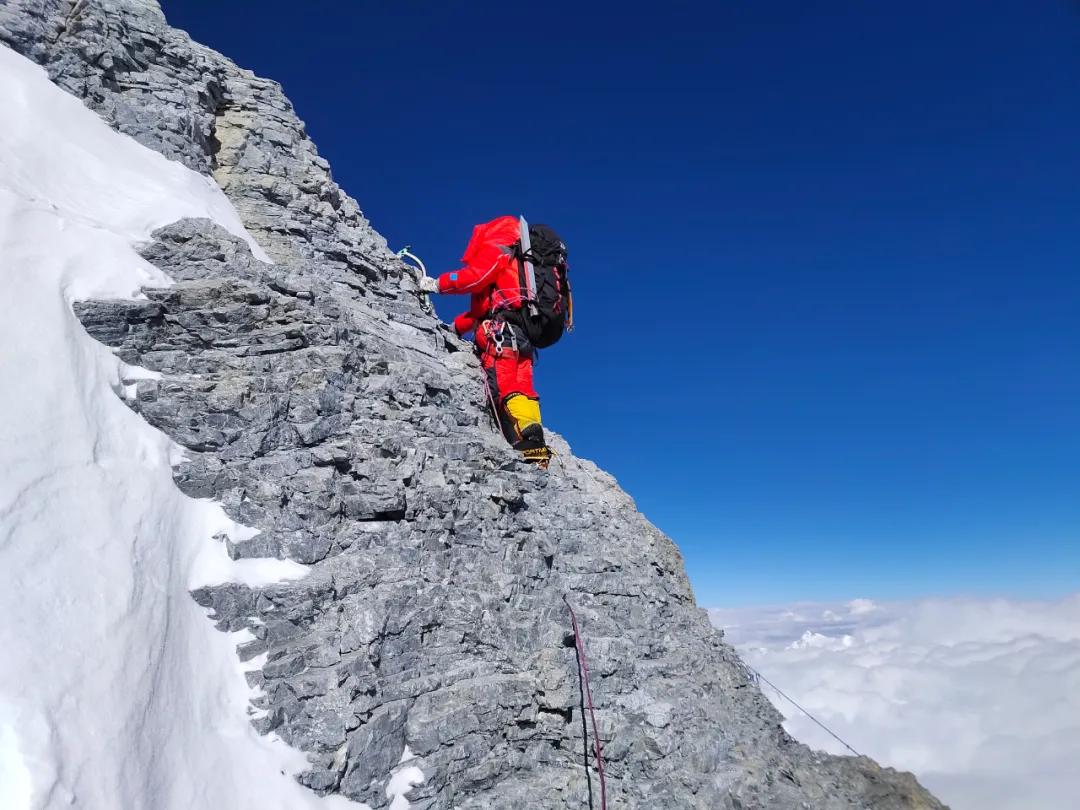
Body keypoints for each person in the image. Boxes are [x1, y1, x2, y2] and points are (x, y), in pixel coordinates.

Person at [419, 215, 567, 467]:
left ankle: (529, 443)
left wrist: (437, 284)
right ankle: (535, 442)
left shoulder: (500, 247)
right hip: (524, 337)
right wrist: (456, 327)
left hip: (500, 335)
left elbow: (475, 277)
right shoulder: (522, 261)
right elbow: (481, 311)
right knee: (524, 387)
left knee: (506, 386)